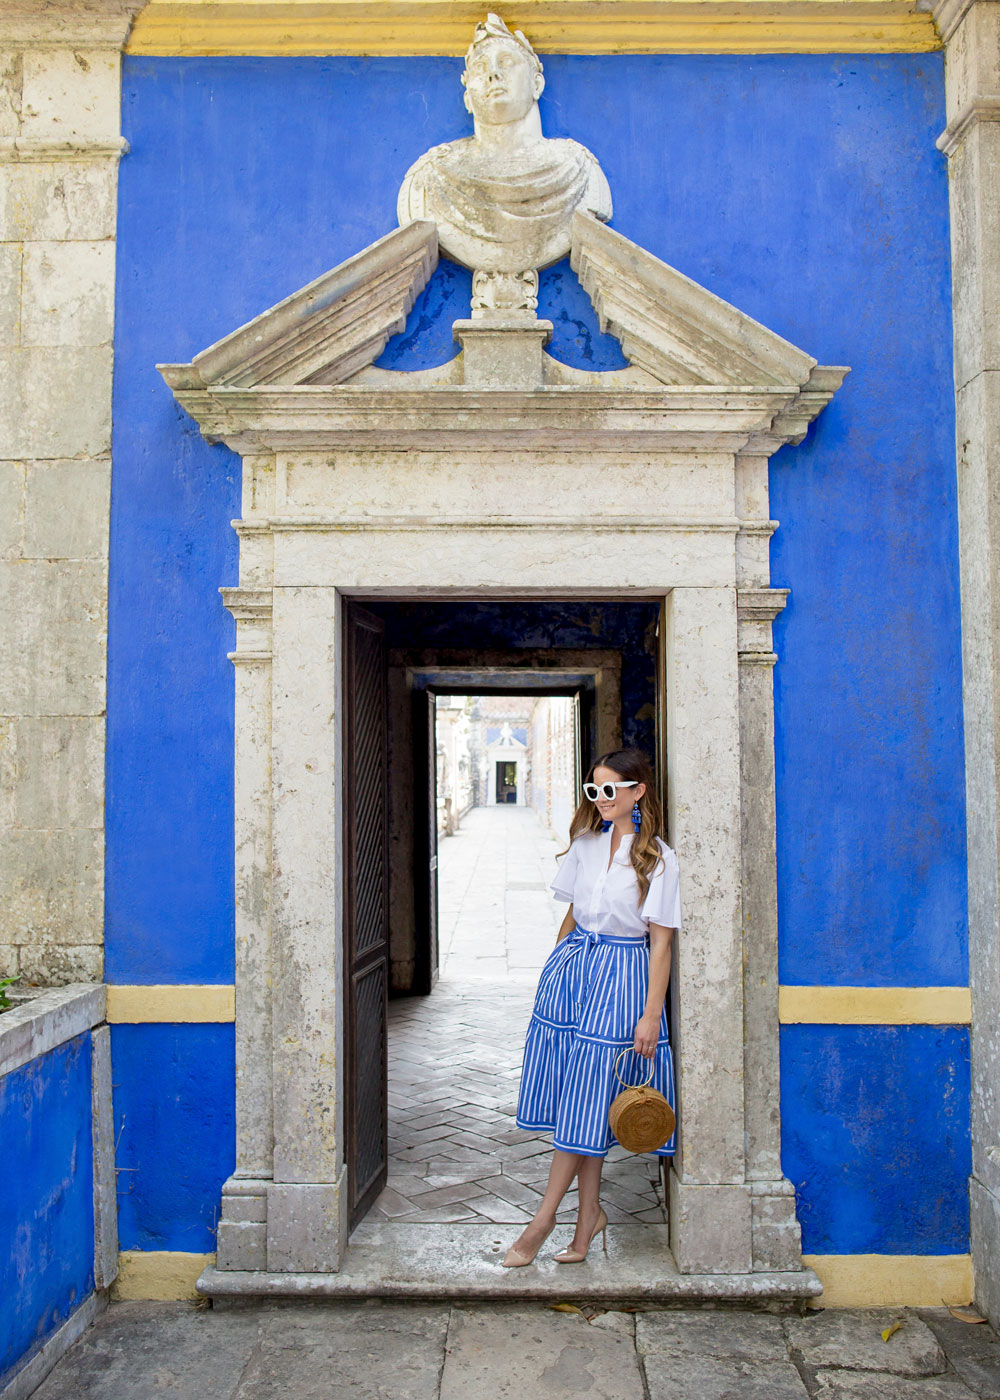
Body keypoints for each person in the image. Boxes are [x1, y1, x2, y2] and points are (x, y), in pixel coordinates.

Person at [503, 748, 680, 1267]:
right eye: (594, 791)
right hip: (575, 974)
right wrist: (552, 970)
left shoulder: (659, 859)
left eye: (610, 790)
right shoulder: (583, 847)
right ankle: (586, 1225)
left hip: (625, 978)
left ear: (637, 791)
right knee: (582, 1100)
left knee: (589, 1099)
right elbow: (573, 917)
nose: (601, 799)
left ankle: (543, 1220)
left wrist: (651, 1014)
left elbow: (661, 945)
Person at [396, 13, 611, 275]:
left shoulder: (580, 171)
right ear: (467, 98)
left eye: (507, 62)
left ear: (536, 84)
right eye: (480, 67)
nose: (493, 74)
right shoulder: (429, 180)